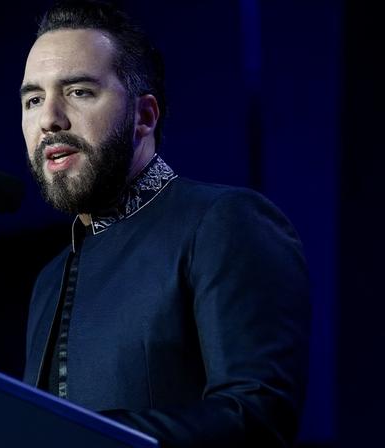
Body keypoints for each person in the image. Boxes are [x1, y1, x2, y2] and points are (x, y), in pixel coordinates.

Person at [19, 1, 310, 447]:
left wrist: (78, 436)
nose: (49, 119)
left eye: (79, 92)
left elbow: (257, 418)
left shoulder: (223, 222)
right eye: (34, 99)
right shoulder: (48, 279)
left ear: (144, 116)